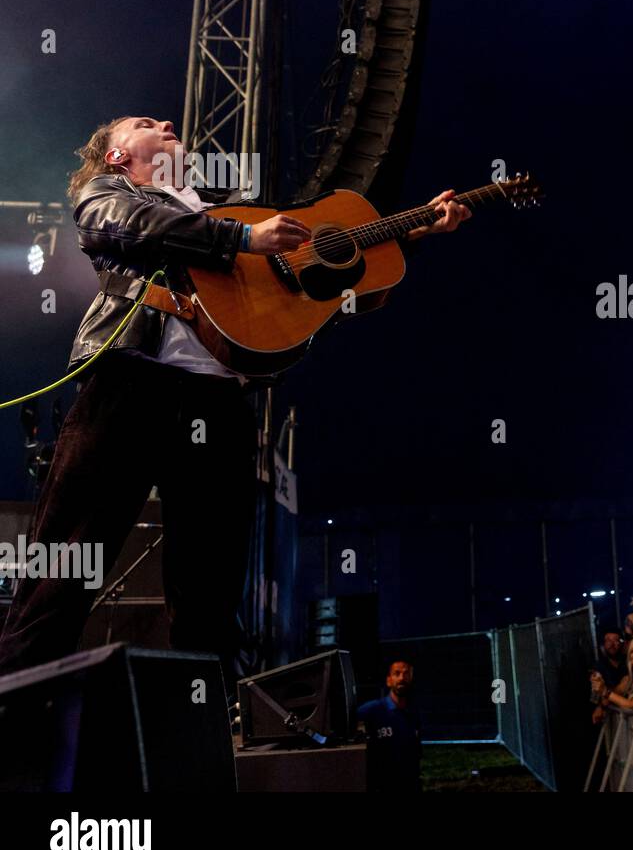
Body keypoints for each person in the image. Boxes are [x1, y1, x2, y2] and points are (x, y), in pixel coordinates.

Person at [0, 116, 469, 703]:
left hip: (219, 403)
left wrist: (407, 232)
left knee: (210, 589)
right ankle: (13, 714)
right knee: (66, 561)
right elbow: (119, 224)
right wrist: (239, 240)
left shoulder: (233, 205)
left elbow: (323, 273)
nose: (168, 122)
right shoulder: (113, 195)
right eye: (146, 124)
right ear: (117, 155)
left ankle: (197, 737)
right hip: (130, 384)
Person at [358, 659, 422, 792]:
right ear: (389, 680)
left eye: (406, 674)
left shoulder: (413, 714)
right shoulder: (371, 711)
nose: (401, 678)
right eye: (396, 673)